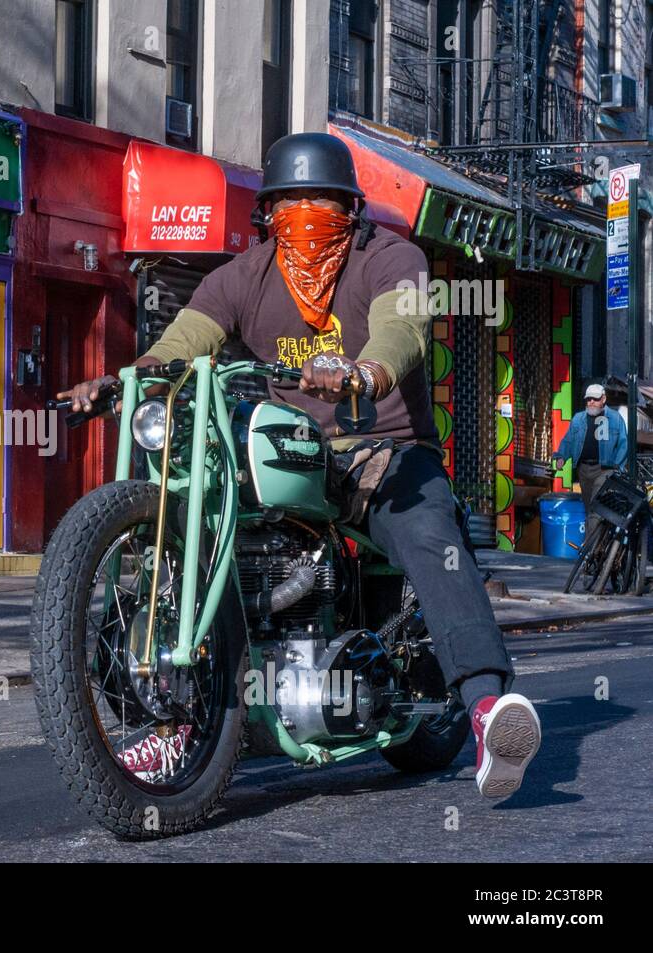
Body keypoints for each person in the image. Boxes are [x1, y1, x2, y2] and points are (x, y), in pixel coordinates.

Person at [58, 132, 540, 800]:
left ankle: (489, 710)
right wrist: (122, 380)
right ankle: (175, 714)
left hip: (384, 452)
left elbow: (401, 330)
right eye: (290, 203)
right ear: (267, 215)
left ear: (352, 208)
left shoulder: (392, 256)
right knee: (183, 542)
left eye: (322, 202)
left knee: (431, 533)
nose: (306, 216)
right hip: (288, 451)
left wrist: (362, 373)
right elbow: (182, 342)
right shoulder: (241, 275)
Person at [553, 383, 628, 541]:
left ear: (603, 399)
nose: (591, 402)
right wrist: (561, 457)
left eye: (595, 399)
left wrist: (617, 466)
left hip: (604, 469)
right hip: (584, 469)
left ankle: (588, 548)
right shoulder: (578, 419)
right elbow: (568, 440)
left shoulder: (615, 418)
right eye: (588, 399)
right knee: (589, 509)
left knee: (595, 507)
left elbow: (623, 444)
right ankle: (596, 549)